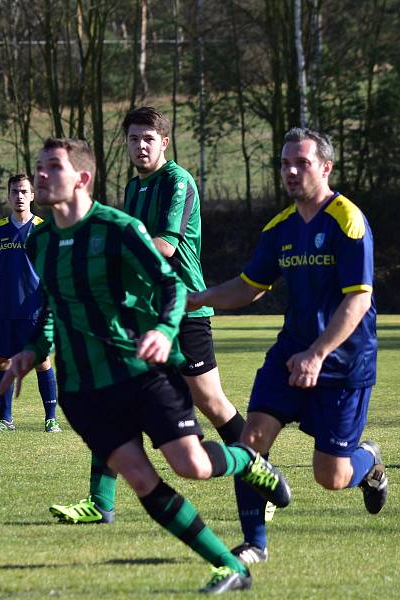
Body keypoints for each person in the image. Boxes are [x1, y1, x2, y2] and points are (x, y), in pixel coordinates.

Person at [0, 137, 291, 593]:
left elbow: (172, 288)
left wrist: (162, 330)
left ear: (82, 178)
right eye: (37, 167)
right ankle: (228, 565)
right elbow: (55, 310)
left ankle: (248, 462)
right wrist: (31, 352)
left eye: (52, 167)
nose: (39, 175)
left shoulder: (119, 230)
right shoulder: (39, 242)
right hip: (84, 389)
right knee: (140, 479)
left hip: (141, 374)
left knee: (191, 465)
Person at [188, 127, 388, 566]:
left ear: (326, 168)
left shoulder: (347, 221)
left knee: (331, 476)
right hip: (290, 353)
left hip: (344, 362)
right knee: (250, 442)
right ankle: (255, 543)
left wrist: (318, 354)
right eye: (284, 164)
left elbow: (359, 298)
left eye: (301, 163)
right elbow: (248, 287)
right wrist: (197, 299)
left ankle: (369, 461)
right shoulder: (279, 228)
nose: (291, 171)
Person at [49, 106, 252, 527]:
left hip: (183, 306)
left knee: (212, 403)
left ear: (164, 142)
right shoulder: (133, 187)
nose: (139, 146)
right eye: (133, 138)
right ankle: (100, 502)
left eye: (148, 138)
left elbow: (164, 246)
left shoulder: (178, 182)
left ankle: (257, 472)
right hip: (141, 312)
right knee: (110, 393)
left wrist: (107, 264)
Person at [0, 174, 59, 433]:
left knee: (41, 361)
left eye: (24, 192)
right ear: (8, 195)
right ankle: (5, 419)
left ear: (33, 196)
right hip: (2, 308)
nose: (19, 196)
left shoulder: (44, 229)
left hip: (34, 309)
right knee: (1, 362)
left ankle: (51, 419)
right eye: (15, 192)